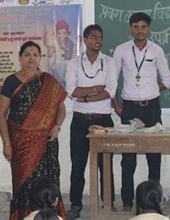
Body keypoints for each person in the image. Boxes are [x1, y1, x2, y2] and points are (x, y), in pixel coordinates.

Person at [0, 41, 67, 220]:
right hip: (21, 144)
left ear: (40, 58)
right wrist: (6, 143)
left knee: (48, 182)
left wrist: (56, 126)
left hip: (47, 142)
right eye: (27, 54)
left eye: (35, 54)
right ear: (20, 58)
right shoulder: (11, 81)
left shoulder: (48, 80)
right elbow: (2, 114)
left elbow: (61, 108)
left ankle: (50, 217)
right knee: (24, 183)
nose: (31, 58)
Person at [113, 12, 170, 211]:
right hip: (128, 107)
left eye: (144, 26)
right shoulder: (121, 50)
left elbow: (168, 81)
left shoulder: (157, 50)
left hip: (152, 108)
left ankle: (153, 202)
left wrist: (152, 90)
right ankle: (127, 202)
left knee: (153, 157)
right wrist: (116, 104)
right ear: (131, 28)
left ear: (149, 29)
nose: (140, 30)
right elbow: (112, 80)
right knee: (127, 159)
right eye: (136, 26)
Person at [64, 24, 117, 219]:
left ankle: (108, 203)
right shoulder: (73, 64)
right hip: (80, 121)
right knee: (78, 165)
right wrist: (96, 88)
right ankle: (76, 205)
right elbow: (71, 91)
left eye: (100, 37)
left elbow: (110, 91)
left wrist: (85, 97)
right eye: (93, 37)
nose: (98, 40)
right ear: (84, 40)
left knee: (106, 165)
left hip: (103, 121)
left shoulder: (109, 62)